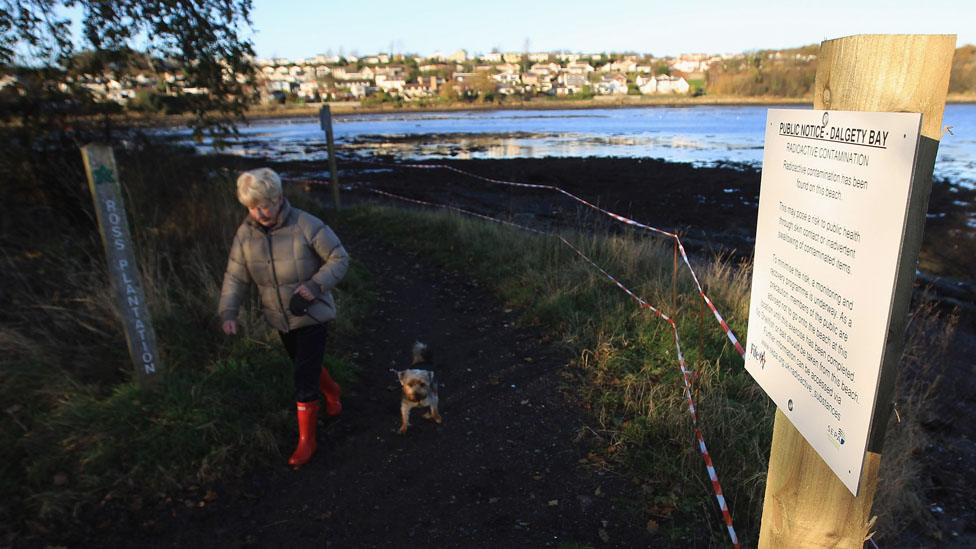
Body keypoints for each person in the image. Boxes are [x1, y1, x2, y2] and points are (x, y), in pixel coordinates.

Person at [218, 168, 349, 466]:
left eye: (265, 204)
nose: (259, 212)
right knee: (305, 364)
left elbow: (340, 258)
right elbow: (235, 276)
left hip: (312, 314)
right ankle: (333, 392)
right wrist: (228, 311)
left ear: (278, 198)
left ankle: (307, 441)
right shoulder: (245, 234)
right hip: (280, 318)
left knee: (303, 374)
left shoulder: (306, 224)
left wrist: (315, 285)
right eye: (252, 206)